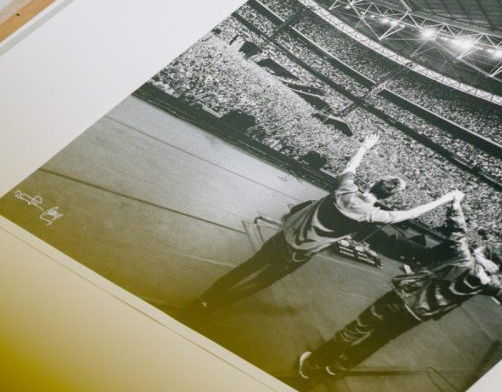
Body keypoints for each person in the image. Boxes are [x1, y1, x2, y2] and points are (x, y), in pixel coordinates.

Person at [181, 133, 463, 317]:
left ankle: (204, 298)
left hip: (283, 238)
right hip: (299, 254)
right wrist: (446, 199)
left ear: (375, 183)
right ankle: (212, 306)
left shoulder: (344, 189)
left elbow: (350, 168)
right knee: (260, 281)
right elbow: (408, 214)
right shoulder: (371, 215)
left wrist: (364, 147)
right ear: (389, 197)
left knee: (247, 267)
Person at [295, 198, 502, 383]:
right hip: (420, 313)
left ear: (486, 252)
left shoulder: (464, 259)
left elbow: (458, 231)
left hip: (403, 297)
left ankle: (313, 364)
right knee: (378, 339)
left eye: (483, 248)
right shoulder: (495, 282)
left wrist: (455, 203)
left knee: (359, 327)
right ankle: (336, 368)